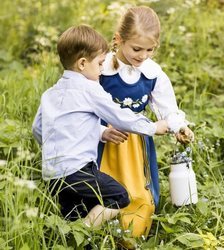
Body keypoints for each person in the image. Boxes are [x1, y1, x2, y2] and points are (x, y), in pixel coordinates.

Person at [32, 24, 169, 228]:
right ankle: (80, 232)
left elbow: (38, 128)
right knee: (119, 196)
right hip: (78, 170)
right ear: (82, 63)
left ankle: (73, 235)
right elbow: (120, 116)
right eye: (100, 64)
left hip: (52, 174)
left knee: (75, 212)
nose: (101, 70)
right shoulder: (90, 89)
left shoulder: (50, 93)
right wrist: (153, 127)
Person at [97, 6, 194, 237]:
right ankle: (99, 234)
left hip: (134, 145)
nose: (143, 55)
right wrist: (101, 129)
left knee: (138, 192)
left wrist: (179, 126)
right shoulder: (101, 68)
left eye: (150, 49)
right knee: (103, 189)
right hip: (103, 142)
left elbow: (167, 107)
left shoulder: (152, 73)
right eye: (137, 48)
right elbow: (82, 105)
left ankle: (131, 237)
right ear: (119, 40)